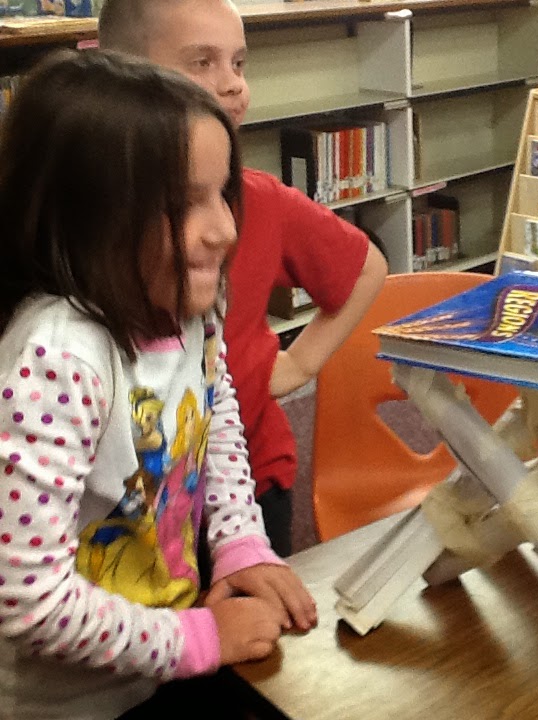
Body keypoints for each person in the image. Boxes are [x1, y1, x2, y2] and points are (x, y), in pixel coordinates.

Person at [0, 49, 317, 719]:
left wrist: (238, 543)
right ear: (87, 217)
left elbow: (217, 415)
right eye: (183, 204)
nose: (226, 229)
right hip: (70, 705)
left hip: (160, 662)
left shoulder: (183, 302)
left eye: (221, 192)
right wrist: (196, 639)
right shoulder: (59, 360)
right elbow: (26, 599)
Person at [98, 0, 389, 556]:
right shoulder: (93, 217)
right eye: (202, 62)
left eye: (239, 63)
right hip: (126, 504)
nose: (232, 85)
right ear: (120, 75)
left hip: (247, 480)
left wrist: (299, 364)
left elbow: (366, 267)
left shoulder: (258, 200)